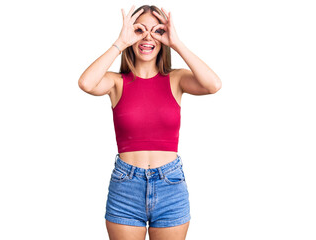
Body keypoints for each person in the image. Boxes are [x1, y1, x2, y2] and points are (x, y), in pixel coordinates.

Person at [78, 4, 222, 240]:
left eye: (156, 31)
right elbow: (86, 83)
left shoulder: (176, 79)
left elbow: (213, 85)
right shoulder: (116, 83)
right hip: (126, 187)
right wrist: (120, 43)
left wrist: (176, 43)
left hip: (170, 185)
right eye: (139, 30)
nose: (147, 37)